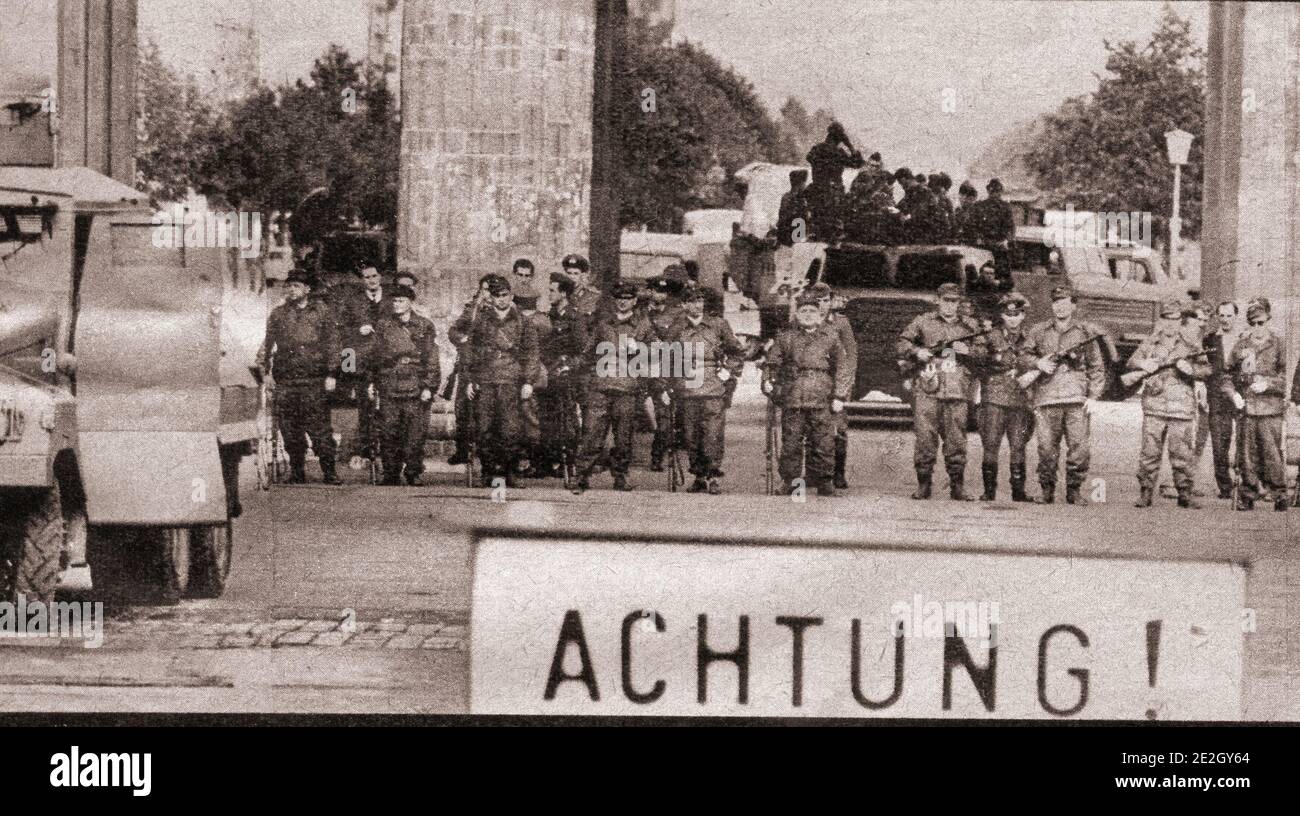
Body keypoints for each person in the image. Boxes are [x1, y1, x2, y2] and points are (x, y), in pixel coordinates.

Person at [1019, 286, 1107, 505]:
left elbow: (1097, 367)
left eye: (1065, 301)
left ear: (1073, 305)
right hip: (1047, 397)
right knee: (1046, 449)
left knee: (1079, 449)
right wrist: (1038, 363)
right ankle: (1047, 489)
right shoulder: (1039, 331)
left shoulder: (1085, 333)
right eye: (1056, 302)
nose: (1060, 306)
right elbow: (1022, 355)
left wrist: (1094, 396)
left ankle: (1074, 490)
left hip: (1076, 399)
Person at [896, 282, 982, 500]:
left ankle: (957, 485)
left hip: (957, 389)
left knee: (957, 440)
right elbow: (901, 343)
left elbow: (984, 352)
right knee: (925, 438)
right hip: (928, 387)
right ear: (938, 300)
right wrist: (918, 352)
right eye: (946, 300)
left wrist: (969, 351)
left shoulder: (970, 326)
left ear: (959, 303)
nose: (950, 306)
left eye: (954, 301)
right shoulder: (923, 322)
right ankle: (923, 484)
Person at [257, 269, 342, 485]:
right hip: (286, 380)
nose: (291, 290)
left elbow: (333, 344)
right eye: (289, 286)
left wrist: (332, 373)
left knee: (320, 428)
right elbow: (267, 344)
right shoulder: (278, 314)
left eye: (296, 286)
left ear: (307, 289)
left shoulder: (322, 312)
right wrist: (265, 372)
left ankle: (329, 472)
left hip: (314, 379)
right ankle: (297, 471)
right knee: (290, 428)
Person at [573, 281, 660, 492]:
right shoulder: (604, 325)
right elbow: (587, 354)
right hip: (601, 387)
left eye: (627, 298)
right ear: (615, 300)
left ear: (635, 301)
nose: (623, 302)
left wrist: (639, 348)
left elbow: (657, 353)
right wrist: (583, 379)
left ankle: (620, 475)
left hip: (627, 389)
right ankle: (581, 475)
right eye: (619, 298)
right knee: (592, 434)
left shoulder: (644, 325)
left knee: (623, 437)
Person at [763, 291, 852, 496]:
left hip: (822, 397)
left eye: (812, 310)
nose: (808, 314)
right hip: (793, 395)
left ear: (819, 312)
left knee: (823, 442)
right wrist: (768, 383)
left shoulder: (830, 337)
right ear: (797, 313)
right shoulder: (786, 337)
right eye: (804, 310)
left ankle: (824, 481)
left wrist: (839, 396)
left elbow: (843, 368)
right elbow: (772, 364)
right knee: (792, 443)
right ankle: (791, 482)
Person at [456, 276, 542, 487]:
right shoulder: (480, 320)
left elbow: (532, 354)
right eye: (496, 295)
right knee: (484, 428)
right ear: (491, 298)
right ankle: (487, 470)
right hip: (485, 380)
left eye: (505, 295)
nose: (501, 299)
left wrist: (529, 381)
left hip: (511, 380)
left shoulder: (523, 322)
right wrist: (468, 380)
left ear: (511, 296)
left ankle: (510, 471)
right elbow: (469, 352)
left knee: (511, 429)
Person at [1127, 300, 1212, 509]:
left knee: (1182, 454)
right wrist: (1143, 364)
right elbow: (1131, 362)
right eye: (1167, 319)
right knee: (1149, 453)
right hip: (1154, 405)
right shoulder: (1151, 342)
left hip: (1181, 408)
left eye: (1176, 319)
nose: (1171, 324)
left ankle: (1184, 493)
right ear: (1162, 320)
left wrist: (1190, 370)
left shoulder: (1191, 343)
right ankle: (1146, 493)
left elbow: (1206, 370)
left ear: (1180, 321)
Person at [668, 285, 747, 493]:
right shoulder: (676, 328)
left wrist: (726, 373)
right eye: (691, 301)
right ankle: (699, 476)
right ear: (684, 304)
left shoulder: (718, 325)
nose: (696, 305)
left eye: (700, 301)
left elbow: (737, 352)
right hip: (687, 388)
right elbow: (668, 356)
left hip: (712, 388)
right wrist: (669, 384)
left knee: (712, 433)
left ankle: (713, 475)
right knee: (690, 435)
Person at [369, 284, 440, 486]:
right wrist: (372, 382)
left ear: (410, 302)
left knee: (415, 433)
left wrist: (429, 386)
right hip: (390, 384)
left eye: (401, 301)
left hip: (415, 385)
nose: (396, 304)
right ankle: (391, 472)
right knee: (389, 431)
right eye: (394, 301)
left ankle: (413, 471)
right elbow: (374, 356)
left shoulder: (424, 325)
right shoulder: (383, 325)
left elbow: (432, 358)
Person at [1224, 297, 1289, 512]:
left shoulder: (1278, 344)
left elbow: (1286, 378)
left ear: (1268, 320)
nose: (1257, 328)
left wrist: (1269, 384)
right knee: (1246, 454)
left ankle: (1279, 493)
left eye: (1261, 322)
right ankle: (1248, 494)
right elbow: (1226, 375)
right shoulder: (1241, 345)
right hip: (1248, 407)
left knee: (1272, 453)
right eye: (1252, 323)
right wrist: (1234, 395)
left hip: (1270, 408)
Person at [972, 292, 1035, 501]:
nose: (1013, 318)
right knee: (991, 444)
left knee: (1018, 445)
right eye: (1008, 314)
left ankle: (1018, 490)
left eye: (1017, 314)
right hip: (994, 398)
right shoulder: (990, 337)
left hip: (1020, 399)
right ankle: (988, 491)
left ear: (1023, 315)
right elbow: (977, 361)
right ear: (1002, 315)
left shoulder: (1030, 338)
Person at [536, 272, 588, 478]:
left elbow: (583, 349)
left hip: (566, 375)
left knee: (567, 420)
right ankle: (548, 462)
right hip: (548, 374)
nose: (548, 294)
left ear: (563, 294)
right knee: (546, 418)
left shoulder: (575, 317)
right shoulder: (550, 316)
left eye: (552, 290)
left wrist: (569, 365)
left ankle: (569, 461)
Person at [445, 274, 499, 466]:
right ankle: (462, 449)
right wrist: (462, 339)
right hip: (468, 366)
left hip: (490, 367)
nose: (487, 294)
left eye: (491, 290)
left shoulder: (501, 311)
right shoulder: (472, 310)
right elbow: (453, 331)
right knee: (462, 409)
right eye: (484, 289)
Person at [810, 282, 858, 489]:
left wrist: (843, 390)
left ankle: (838, 473)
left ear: (831, 301)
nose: (822, 305)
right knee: (810, 426)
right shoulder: (802, 320)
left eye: (826, 301)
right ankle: (812, 473)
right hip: (812, 382)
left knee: (838, 428)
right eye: (817, 301)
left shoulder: (841, 323)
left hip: (835, 381)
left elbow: (850, 356)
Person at [642, 275, 685, 472]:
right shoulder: (640, 312)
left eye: (663, 292)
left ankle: (657, 455)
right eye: (655, 290)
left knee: (664, 414)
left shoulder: (677, 315)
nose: (659, 295)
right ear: (649, 291)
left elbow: (674, 342)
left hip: (662, 369)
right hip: (638, 368)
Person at [1202, 300, 1242, 499]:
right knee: (1219, 444)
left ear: (1236, 316)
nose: (1225, 320)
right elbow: (1202, 366)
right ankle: (1225, 486)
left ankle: (1246, 484)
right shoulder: (1209, 340)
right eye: (1222, 316)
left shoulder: (1245, 339)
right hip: (1217, 396)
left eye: (1229, 316)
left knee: (1245, 441)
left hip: (1240, 395)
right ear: (1217, 317)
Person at [804, 122, 865, 243]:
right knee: (834, 229)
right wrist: (850, 146)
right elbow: (858, 164)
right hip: (834, 194)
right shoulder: (839, 152)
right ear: (840, 138)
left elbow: (809, 158)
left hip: (818, 191)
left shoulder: (817, 149)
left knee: (817, 226)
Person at [514, 290, 553, 477]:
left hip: (525, 375)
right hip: (540, 374)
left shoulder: (520, 321)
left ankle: (526, 459)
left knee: (525, 418)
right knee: (535, 418)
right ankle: (538, 460)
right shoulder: (544, 320)